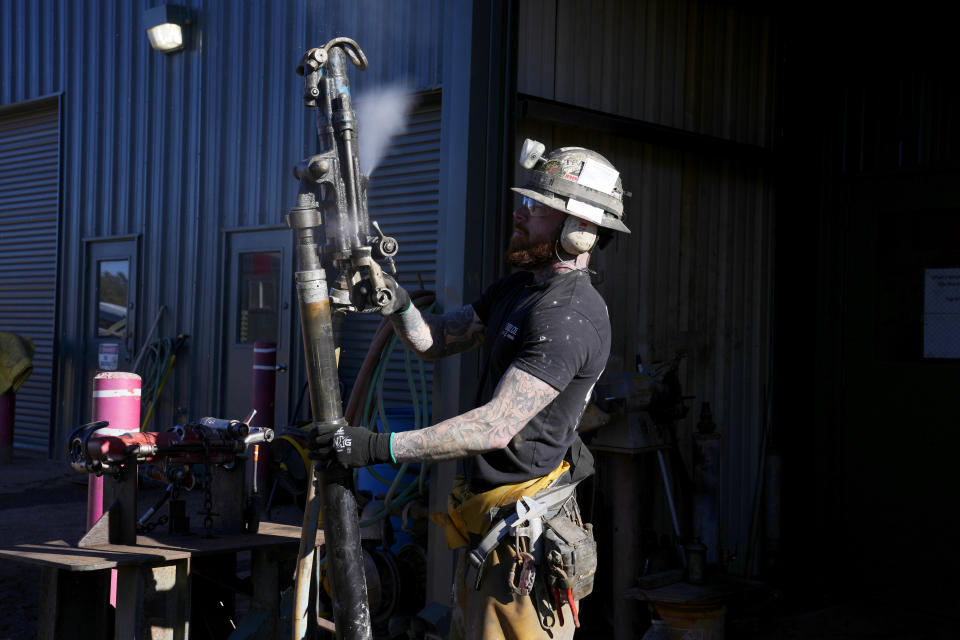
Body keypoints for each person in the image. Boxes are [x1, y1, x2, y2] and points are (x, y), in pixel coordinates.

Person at [312, 140, 631, 639]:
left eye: (539, 207)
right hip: (488, 526)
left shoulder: (568, 317)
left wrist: (378, 447)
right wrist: (397, 304)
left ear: (579, 231)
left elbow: (495, 426)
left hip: (523, 547)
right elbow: (436, 340)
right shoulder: (519, 289)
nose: (521, 212)